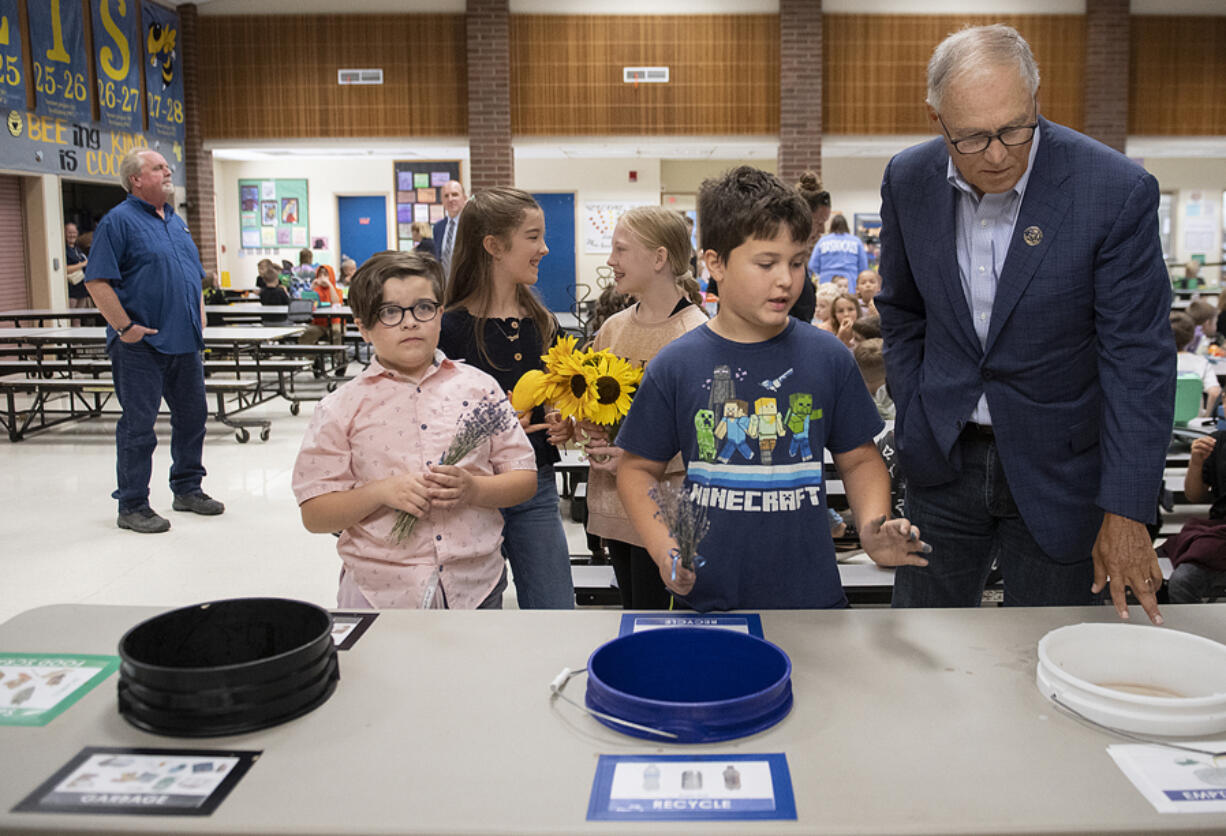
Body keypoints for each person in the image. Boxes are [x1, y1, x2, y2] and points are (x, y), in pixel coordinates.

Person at [876, 24, 1174, 621]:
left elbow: (1137, 359)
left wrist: (1126, 507)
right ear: (937, 119)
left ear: (1036, 99)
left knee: (1051, 648)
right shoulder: (908, 180)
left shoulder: (1114, 190)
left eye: (1014, 129)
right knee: (925, 646)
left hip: (1062, 472)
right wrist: (914, 415)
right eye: (972, 137)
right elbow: (903, 312)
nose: (996, 154)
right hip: (944, 463)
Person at [614, 166, 929, 611]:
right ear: (715, 263)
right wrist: (665, 550)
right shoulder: (677, 365)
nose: (786, 279)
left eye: (797, 262)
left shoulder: (828, 358)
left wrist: (874, 526)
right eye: (766, 263)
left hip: (812, 602)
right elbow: (635, 469)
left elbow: (859, 459)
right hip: (708, 606)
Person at [293, 251, 537, 609]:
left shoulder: (481, 389)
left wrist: (473, 488)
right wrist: (379, 492)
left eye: (423, 308)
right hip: (380, 591)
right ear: (363, 327)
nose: (410, 323)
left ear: (440, 313)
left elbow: (524, 479)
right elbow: (315, 514)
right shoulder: (340, 408)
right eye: (390, 313)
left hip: (476, 587)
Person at [438, 187, 575, 609]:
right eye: (533, 237)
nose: (545, 248)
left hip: (535, 486)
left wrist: (560, 421)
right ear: (494, 246)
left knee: (555, 607)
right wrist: (494, 430)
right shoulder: (449, 328)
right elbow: (429, 420)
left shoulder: (543, 323)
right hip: (471, 493)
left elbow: (556, 397)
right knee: (477, 611)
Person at [570, 206, 708, 610]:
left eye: (621, 249)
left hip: (666, 516)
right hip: (614, 509)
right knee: (634, 615)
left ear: (659, 258)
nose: (611, 261)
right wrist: (581, 424)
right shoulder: (613, 328)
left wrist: (634, 459)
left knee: (661, 630)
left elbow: (707, 436)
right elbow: (597, 408)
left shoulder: (696, 334)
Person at [84, 147, 225, 533]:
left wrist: (199, 316)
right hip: (140, 347)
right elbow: (97, 281)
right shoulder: (119, 222)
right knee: (139, 427)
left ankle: (187, 488)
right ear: (136, 179)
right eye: (158, 167)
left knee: (193, 418)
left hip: (184, 342)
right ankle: (132, 505)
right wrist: (124, 327)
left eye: (167, 166)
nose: (168, 171)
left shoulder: (176, 222)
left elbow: (195, 275)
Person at [1160, 433, 1226, 603]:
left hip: (1215, 541)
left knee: (1183, 582)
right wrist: (1196, 462)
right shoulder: (1217, 443)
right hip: (1217, 534)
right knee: (1156, 566)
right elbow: (1195, 496)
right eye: (1225, 404)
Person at [1172, 312, 1221, 414]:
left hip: (1160, 421)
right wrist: (1206, 416)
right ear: (1191, 337)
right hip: (1193, 425)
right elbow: (1215, 393)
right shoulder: (1201, 362)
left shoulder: (1156, 362)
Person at [809, 214, 868, 291]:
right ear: (846, 226)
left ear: (831, 226)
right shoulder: (856, 241)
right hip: (850, 284)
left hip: (826, 284)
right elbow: (863, 267)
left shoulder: (823, 241)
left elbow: (812, 266)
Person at [433, 179, 467, 281]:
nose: (450, 199)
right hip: (444, 287)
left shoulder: (472, 225)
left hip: (467, 287)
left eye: (455, 194)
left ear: (464, 198)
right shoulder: (438, 228)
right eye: (446, 196)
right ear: (442, 201)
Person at [65, 222, 91, 310]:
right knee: (71, 317)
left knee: (79, 318)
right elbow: (65, 269)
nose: (72, 235)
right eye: (69, 232)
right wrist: (82, 264)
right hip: (72, 288)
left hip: (82, 288)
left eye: (74, 232)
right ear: (64, 233)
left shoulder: (77, 248)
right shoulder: (64, 249)